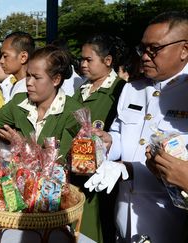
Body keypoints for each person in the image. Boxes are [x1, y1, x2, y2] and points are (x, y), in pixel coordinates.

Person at [93, 11, 188, 243]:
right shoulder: (132, 89)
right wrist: (107, 142)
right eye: (142, 49)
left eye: (154, 49)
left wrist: (130, 170)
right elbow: (119, 134)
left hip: (169, 222)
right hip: (124, 215)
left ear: (184, 50)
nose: (145, 56)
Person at [72, 34, 127, 243]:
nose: (83, 64)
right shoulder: (83, 89)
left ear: (108, 61)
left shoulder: (119, 90)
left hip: (102, 173)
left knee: (94, 228)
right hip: (78, 166)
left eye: (89, 60)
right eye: (81, 59)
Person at [0, 31, 35, 101]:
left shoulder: (28, 89)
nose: (1, 61)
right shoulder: (14, 85)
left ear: (23, 57)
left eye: (5, 56)